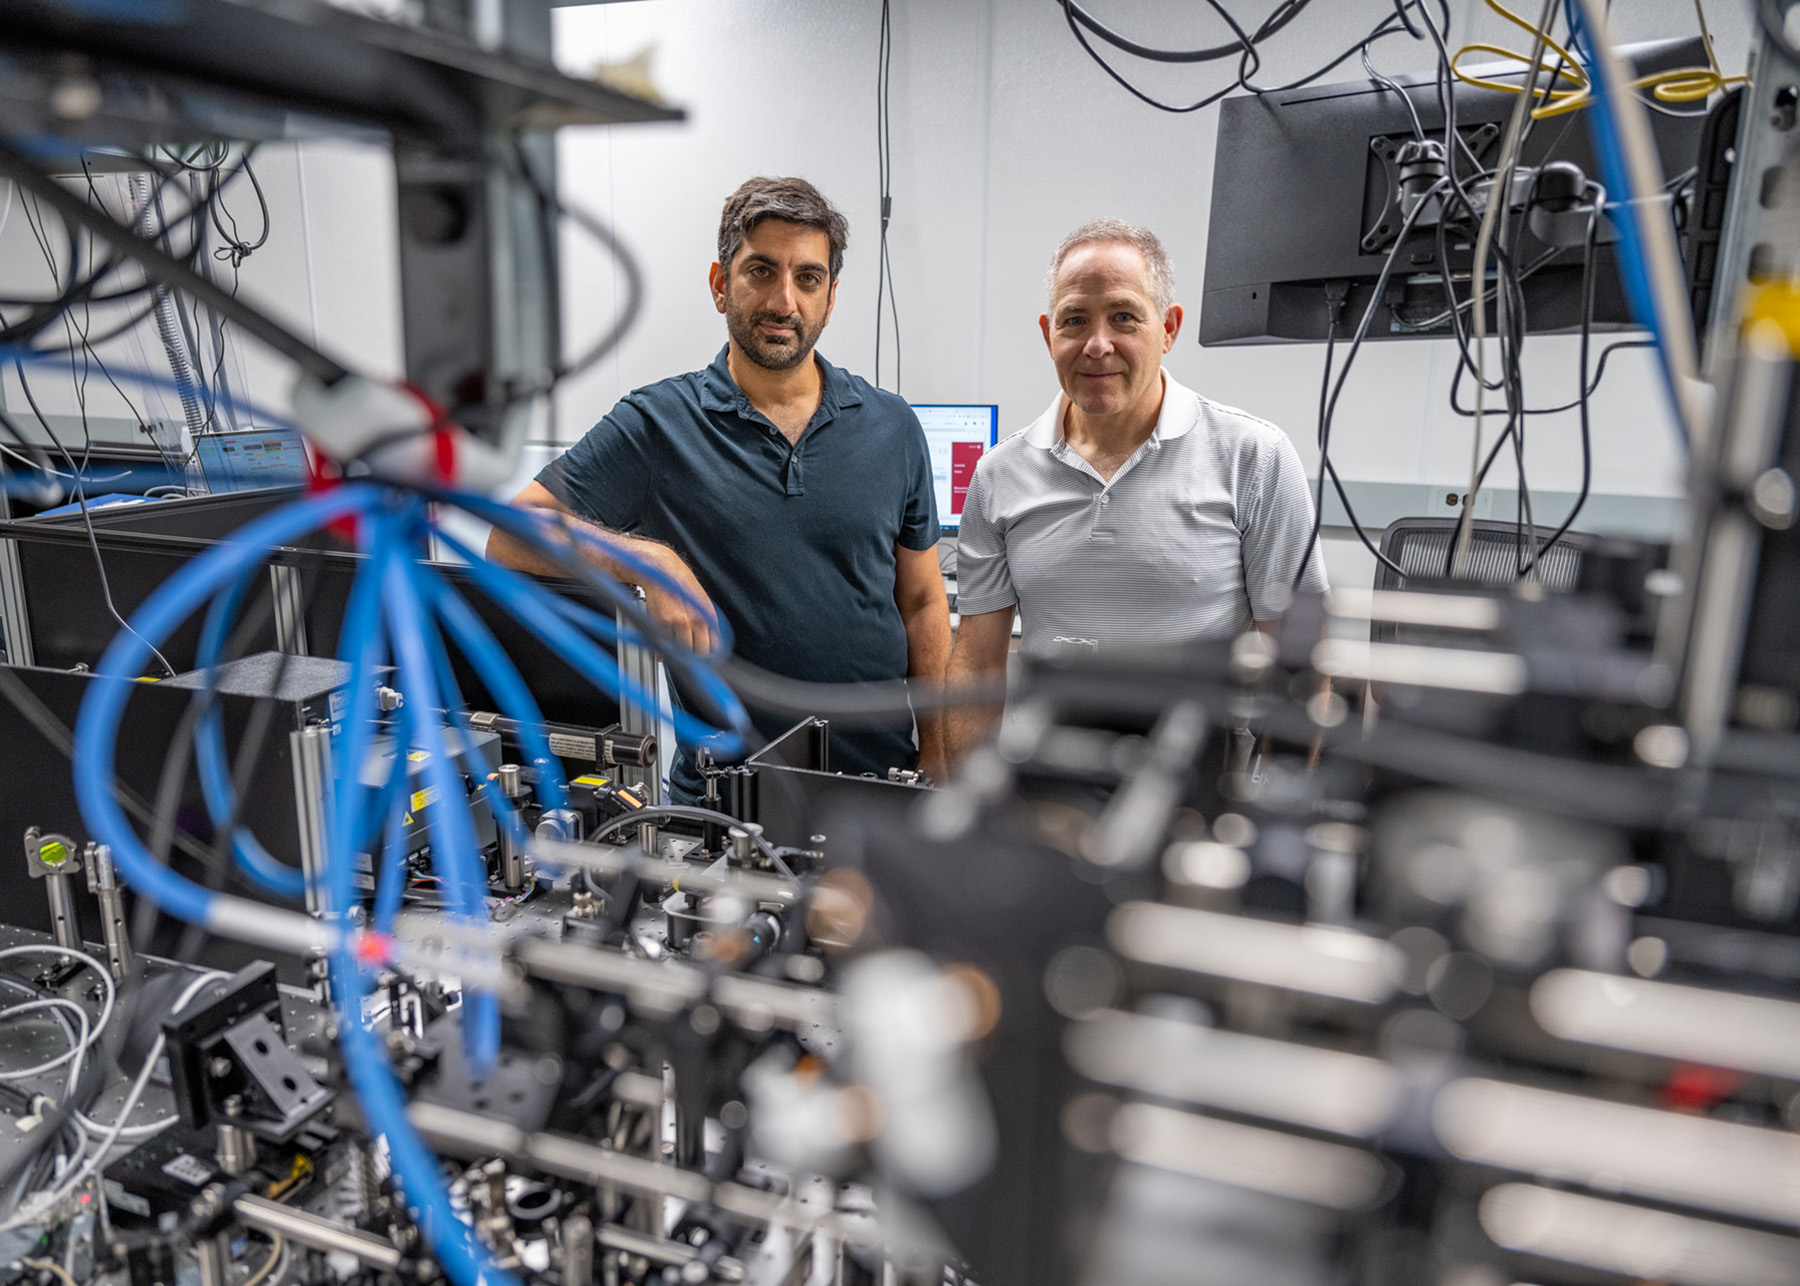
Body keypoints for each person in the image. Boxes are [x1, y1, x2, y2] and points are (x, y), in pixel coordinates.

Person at [489, 176, 949, 801]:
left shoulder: (892, 426)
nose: (784, 300)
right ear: (720, 284)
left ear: (831, 297)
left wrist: (940, 754)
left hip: (880, 787)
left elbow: (922, 603)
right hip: (721, 806)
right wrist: (648, 559)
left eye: (808, 278)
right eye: (761, 270)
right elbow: (511, 536)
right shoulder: (658, 424)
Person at [945, 217, 1326, 763]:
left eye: (1124, 317)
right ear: (1048, 333)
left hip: (1199, 789)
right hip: (1047, 785)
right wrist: (964, 808)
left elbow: (1300, 663)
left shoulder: (1253, 456)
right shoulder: (1000, 475)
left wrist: (1281, 811)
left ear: (1168, 328)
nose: (1098, 345)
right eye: (1074, 320)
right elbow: (978, 666)